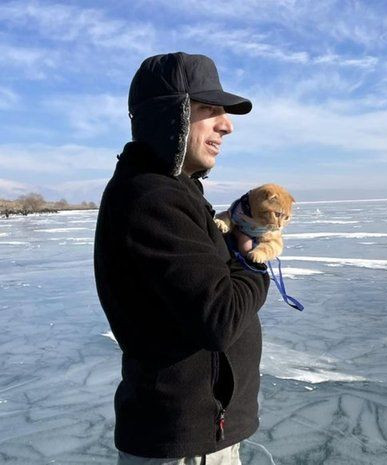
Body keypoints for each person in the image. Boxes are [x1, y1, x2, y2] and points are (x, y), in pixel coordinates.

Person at [93, 52, 270, 464]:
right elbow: (219, 318)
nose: (226, 125)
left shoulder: (177, 191)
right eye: (210, 110)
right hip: (182, 445)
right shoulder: (152, 197)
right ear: (169, 115)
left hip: (201, 434)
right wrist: (254, 262)